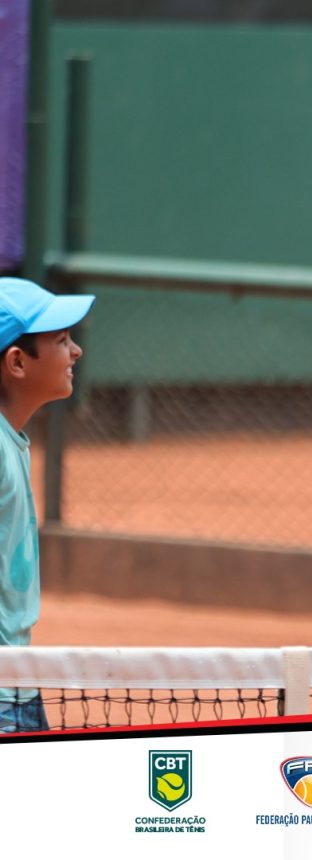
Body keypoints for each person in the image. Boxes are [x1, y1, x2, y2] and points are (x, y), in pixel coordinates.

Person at [0, 277, 94, 732]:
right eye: (61, 340)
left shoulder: (10, 440)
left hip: (18, 683)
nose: (76, 351)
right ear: (17, 362)